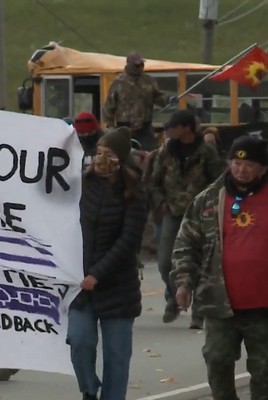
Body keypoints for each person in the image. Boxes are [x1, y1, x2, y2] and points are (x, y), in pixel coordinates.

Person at [172, 136, 268, 399]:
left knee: (265, 373)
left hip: (263, 307)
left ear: (262, 167)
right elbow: (186, 243)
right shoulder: (209, 199)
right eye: (236, 162)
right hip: (220, 302)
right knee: (217, 362)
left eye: (248, 164)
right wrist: (183, 282)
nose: (241, 169)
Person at [68, 128, 148, 400]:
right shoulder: (83, 184)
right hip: (81, 287)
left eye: (109, 153)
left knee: (117, 357)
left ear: (122, 159)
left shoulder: (135, 193)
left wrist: (98, 274)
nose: (102, 158)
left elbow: (128, 242)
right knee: (79, 341)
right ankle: (89, 390)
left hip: (118, 289)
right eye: (99, 152)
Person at [150, 110, 224, 328]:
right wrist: (161, 203)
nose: (170, 130)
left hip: (201, 214)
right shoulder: (167, 151)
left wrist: (212, 206)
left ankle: (198, 313)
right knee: (165, 262)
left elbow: (218, 180)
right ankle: (174, 295)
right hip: (172, 212)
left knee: (202, 262)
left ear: (187, 128)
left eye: (174, 127)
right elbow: (154, 182)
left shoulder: (206, 151)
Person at [102, 51, 174, 151]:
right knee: (124, 153)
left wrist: (168, 100)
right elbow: (109, 105)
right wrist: (110, 126)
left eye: (141, 64)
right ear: (129, 64)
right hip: (124, 127)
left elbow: (157, 97)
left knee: (151, 153)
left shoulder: (148, 80)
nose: (140, 67)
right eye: (136, 65)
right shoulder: (118, 82)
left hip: (145, 126)